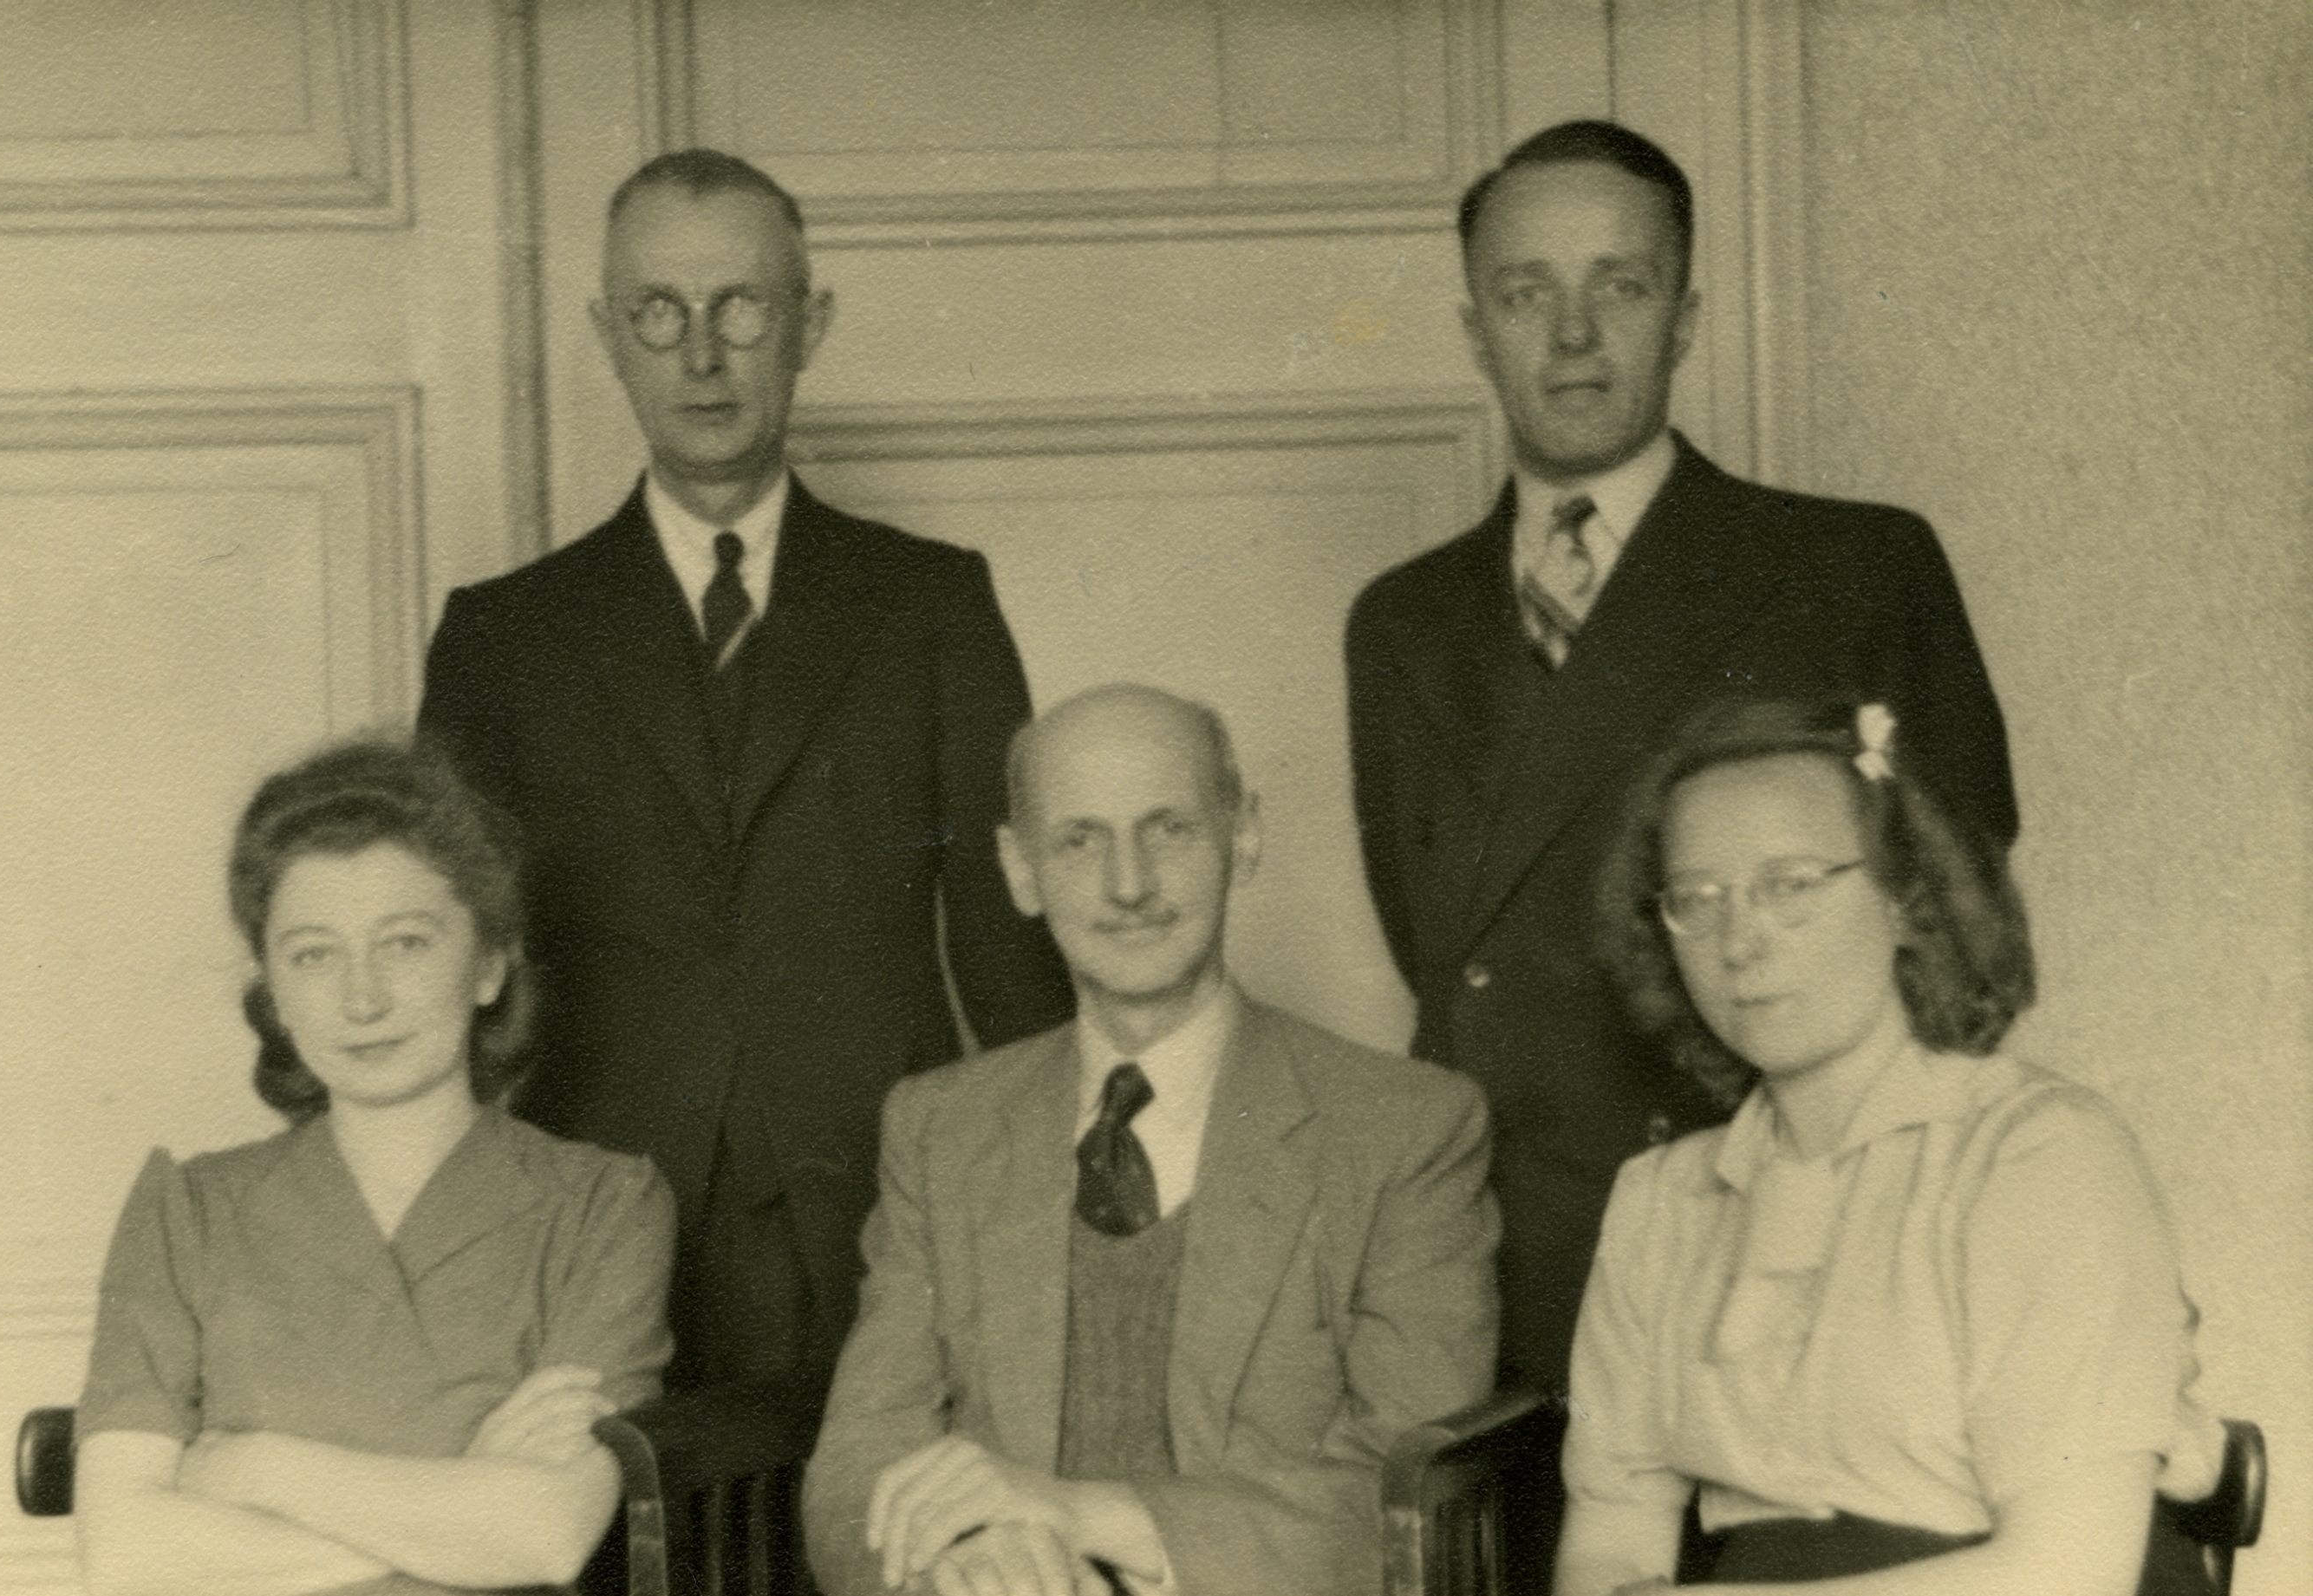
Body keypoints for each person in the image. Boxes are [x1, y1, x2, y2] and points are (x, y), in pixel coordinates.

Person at [1345, 118, 2017, 1391]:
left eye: (1623, 285)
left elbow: (1959, 935)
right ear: (1473, 329)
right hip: (1502, 1263)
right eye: (1526, 293)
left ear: (1689, 316)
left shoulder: (1853, 569)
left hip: (1780, 1233)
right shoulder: (1400, 622)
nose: (1575, 333)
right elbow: (1429, 939)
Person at [417, 150, 1071, 1412]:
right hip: (592, 1222)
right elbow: (452, 974)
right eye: (660, 311)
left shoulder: (930, 604)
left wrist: (1045, 1211)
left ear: (809, 324)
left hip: (883, 1215)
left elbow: (1008, 947)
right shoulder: (503, 639)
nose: (702, 355)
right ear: (610, 336)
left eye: (744, 307)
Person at [805, 685, 1500, 1596]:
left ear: (1242, 834)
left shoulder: (1407, 1126)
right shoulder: (940, 1127)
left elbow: (1407, 1495)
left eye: (1168, 827)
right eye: (1079, 839)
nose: (1128, 884)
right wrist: (958, 1565)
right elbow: (858, 1465)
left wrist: (1075, 1512)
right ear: (1019, 868)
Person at [1557, 697, 2219, 1595]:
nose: (1740, 941)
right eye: (1697, 899)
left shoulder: (2038, 1153)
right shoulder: (1661, 1199)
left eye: (1790, 883)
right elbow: (1614, 1543)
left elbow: (2071, 1571)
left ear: (1907, 898)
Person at [74, 739, 673, 1596]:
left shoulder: (605, 1206)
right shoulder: (188, 1208)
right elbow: (125, 1553)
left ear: (490, 964)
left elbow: (545, 1535)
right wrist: (464, 1493)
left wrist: (255, 1468)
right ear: (272, 989)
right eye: (314, 953)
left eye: (406, 943)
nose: (362, 999)